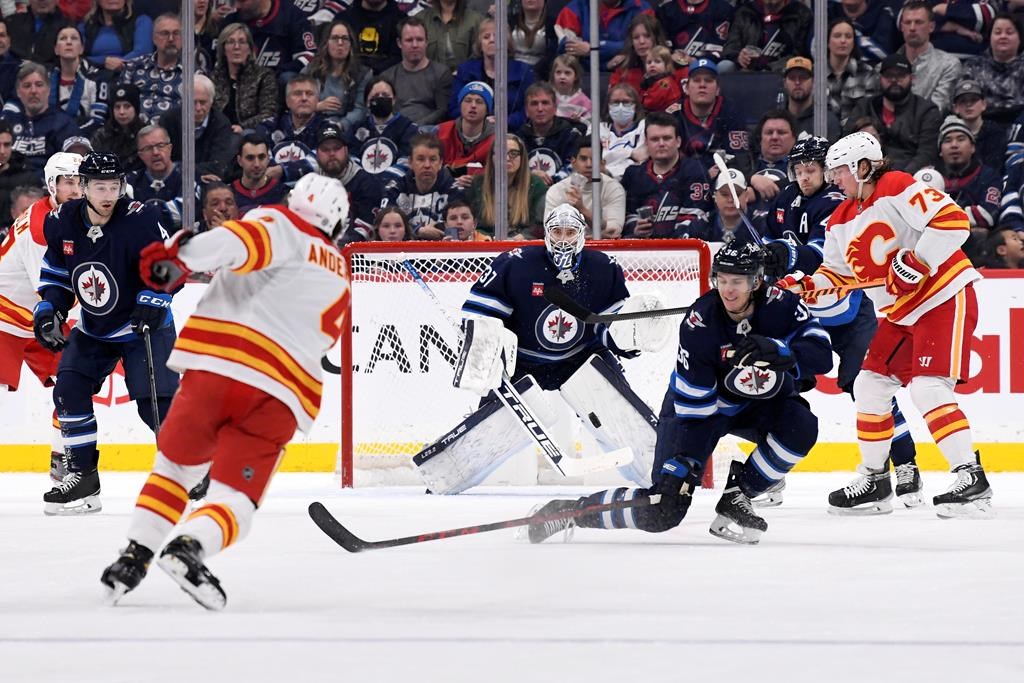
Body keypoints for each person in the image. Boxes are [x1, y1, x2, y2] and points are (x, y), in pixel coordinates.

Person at [100, 173, 350, 610]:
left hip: (217, 368)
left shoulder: (279, 222)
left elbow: (235, 242)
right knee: (237, 497)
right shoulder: (341, 271)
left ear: (295, 202)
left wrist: (180, 258)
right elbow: (328, 340)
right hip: (281, 392)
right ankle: (190, 547)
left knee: (176, 470)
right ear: (338, 224)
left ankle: (133, 558)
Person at [525, 241, 832, 545]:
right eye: (721, 280)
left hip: (755, 405)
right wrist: (687, 467)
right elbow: (694, 408)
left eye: (737, 281)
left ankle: (739, 495)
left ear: (756, 281)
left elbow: (822, 355)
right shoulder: (700, 323)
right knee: (661, 510)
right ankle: (569, 512)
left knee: (801, 428)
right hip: (699, 413)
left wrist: (784, 353)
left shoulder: (783, 305)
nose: (727, 291)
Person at [780, 131, 993, 519]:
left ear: (864, 167)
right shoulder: (842, 218)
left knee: (929, 388)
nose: (833, 180)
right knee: (869, 385)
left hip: (943, 297)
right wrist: (806, 285)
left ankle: (972, 478)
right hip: (901, 313)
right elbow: (840, 275)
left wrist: (916, 262)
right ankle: (876, 482)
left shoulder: (896, 186)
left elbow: (953, 221)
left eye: (839, 171)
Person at [413, 203, 671, 495]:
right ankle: (445, 475)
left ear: (582, 234)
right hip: (523, 362)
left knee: (619, 412)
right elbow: (481, 314)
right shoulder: (516, 263)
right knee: (492, 427)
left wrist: (631, 336)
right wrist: (488, 346)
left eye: (570, 232)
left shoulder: (603, 268)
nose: (563, 239)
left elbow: (611, 331)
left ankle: (660, 475)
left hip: (580, 359)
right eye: (557, 231)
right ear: (546, 233)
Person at [764, 137, 922, 507]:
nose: (805, 178)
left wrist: (785, 255)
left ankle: (906, 466)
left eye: (812, 171)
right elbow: (770, 243)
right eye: (798, 171)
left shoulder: (837, 203)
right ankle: (768, 475)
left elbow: (825, 257)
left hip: (848, 313)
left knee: (866, 388)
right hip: (804, 314)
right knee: (778, 387)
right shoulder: (785, 201)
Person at [32, 151, 178, 515]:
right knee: (68, 389)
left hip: (144, 325)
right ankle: (83, 476)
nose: (109, 194)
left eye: (114, 185)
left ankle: (187, 469)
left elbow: (172, 265)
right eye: (100, 186)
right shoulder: (63, 220)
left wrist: (152, 297)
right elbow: (57, 273)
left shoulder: (140, 218)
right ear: (82, 187)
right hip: (95, 327)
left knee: (155, 405)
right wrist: (50, 307)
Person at [0, 153, 82, 485]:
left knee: (76, 381)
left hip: (36, 315)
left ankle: (63, 459)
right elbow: (49, 290)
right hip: (6, 315)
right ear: (52, 185)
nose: (77, 190)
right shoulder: (40, 226)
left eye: (81, 182)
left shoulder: (80, 216)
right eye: (68, 182)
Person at [845, 53, 941, 176]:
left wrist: (900, 177)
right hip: (868, 174)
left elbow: (926, 153)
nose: (894, 80)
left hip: (912, 178)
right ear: (880, 78)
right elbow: (847, 142)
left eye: (900, 76)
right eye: (889, 76)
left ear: (912, 78)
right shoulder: (864, 106)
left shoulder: (927, 110)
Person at [621, 111, 712, 238]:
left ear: (678, 141)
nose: (661, 143)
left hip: (682, 251)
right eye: (655, 139)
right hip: (641, 250)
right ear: (646, 143)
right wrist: (635, 228)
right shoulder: (633, 175)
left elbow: (696, 219)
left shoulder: (695, 171)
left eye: (667, 138)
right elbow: (626, 217)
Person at [449, 16, 535, 130]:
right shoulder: (465, 70)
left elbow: (530, 108)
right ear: (480, 45)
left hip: (512, 131)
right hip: (473, 131)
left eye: (497, 36)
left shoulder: (524, 71)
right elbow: (454, 108)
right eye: (486, 37)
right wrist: (480, 121)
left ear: (507, 42)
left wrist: (505, 121)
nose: (492, 40)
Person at [1, 60, 82, 174]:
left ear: (48, 89)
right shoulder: (8, 122)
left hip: (46, 187)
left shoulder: (64, 124)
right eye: (27, 86)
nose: (33, 91)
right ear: (18, 92)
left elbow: (72, 168)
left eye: (39, 85)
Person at [382, 133, 463, 238]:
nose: (427, 165)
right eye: (420, 159)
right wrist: (417, 230)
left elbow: (458, 229)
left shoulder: (454, 190)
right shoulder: (394, 189)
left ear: (440, 163)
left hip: (441, 251)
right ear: (410, 162)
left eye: (433, 159)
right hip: (403, 251)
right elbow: (385, 225)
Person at [465, 133, 545, 238]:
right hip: (486, 245)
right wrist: (483, 236)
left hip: (524, 246)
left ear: (522, 158)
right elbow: (471, 222)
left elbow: (541, 225)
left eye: (513, 153)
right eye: (501, 153)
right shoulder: (478, 184)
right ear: (492, 157)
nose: (507, 158)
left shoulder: (536, 185)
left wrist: (525, 236)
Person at [672, 58, 748, 170]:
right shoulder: (674, 114)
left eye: (708, 80)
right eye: (696, 80)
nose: (702, 85)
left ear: (717, 89)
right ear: (686, 88)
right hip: (684, 177)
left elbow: (739, 157)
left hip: (724, 175)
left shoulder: (732, 113)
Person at [544, 137, 626, 239]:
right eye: (583, 159)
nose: (589, 165)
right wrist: (583, 239)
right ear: (573, 162)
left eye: (594, 159)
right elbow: (551, 231)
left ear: (602, 163)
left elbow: (614, 230)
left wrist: (582, 209)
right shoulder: (557, 190)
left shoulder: (613, 188)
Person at [936, 115, 1003, 238]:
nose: (954, 145)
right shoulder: (930, 177)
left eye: (961, 139)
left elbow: (987, 215)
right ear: (940, 150)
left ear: (972, 147)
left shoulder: (988, 176)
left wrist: (939, 216)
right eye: (947, 140)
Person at [315, 121, 382, 243]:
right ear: (317, 154)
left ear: (346, 150)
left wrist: (340, 244)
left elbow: (366, 225)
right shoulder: (311, 183)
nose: (331, 154)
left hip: (354, 254)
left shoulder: (366, 182)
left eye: (337, 148)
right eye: (325, 149)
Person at [301, 19, 371, 136]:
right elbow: (297, 102)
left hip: (347, 130)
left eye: (344, 38)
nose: (340, 43)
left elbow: (360, 110)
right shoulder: (311, 70)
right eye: (334, 38)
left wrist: (340, 125)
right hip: (313, 125)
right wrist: (316, 106)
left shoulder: (362, 74)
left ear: (351, 44)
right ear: (326, 43)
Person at [379, 16, 453, 126]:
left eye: (419, 40)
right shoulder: (387, 77)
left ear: (426, 41)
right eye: (409, 40)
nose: (415, 45)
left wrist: (415, 127)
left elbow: (442, 111)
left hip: (429, 134)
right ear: (399, 43)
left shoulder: (441, 73)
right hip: (396, 132)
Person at [210, 22, 279, 136]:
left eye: (242, 42)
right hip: (218, 134)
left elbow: (269, 113)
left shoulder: (264, 76)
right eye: (231, 42)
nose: (236, 47)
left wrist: (242, 127)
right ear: (223, 49)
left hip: (249, 135)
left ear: (249, 49)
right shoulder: (213, 78)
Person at [896, 1, 963, 113]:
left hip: (931, 128)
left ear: (931, 27)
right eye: (908, 22)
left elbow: (937, 109)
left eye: (918, 22)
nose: (912, 28)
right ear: (902, 27)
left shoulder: (948, 65)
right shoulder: (884, 67)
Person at [517, 81, 586, 186]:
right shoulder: (518, 138)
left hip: (563, 193)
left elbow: (574, 168)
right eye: (534, 103)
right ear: (526, 110)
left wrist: (547, 181)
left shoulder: (571, 134)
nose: (540, 109)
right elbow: (512, 170)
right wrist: (530, 175)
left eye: (545, 103)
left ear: (555, 108)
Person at [554, 0, 654, 73]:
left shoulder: (641, 8)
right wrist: (606, 63)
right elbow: (566, 50)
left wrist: (591, 49)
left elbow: (645, 45)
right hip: (583, 76)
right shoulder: (575, 8)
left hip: (629, 72)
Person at [960, 13, 1024, 125]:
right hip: (981, 126)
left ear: (1020, 38)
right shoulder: (973, 66)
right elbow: (966, 102)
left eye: (1009, 32)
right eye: (997, 32)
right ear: (989, 37)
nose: (1003, 36)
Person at [347, 77, 418, 178]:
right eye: (375, 96)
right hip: (362, 182)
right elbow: (350, 156)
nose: (380, 98)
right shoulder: (356, 128)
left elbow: (407, 159)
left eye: (385, 95)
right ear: (367, 102)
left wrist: (387, 177)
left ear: (393, 100)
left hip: (396, 182)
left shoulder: (407, 128)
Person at [720, 0, 812, 72]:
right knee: (725, 66)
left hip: (783, 74)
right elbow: (729, 49)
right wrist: (739, 57)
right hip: (746, 74)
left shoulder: (801, 14)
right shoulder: (744, 13)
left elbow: (799, 54)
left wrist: (767, 68)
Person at [49, 24, 109, 136]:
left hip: (85, 140)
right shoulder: (45, 79)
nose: (68, 42)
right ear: (56, 49)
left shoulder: (97, 79)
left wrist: (68, 134)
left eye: (74, 38)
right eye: (63, 38)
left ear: (81, 49)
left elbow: (98, 121)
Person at [436, 81, 495, 188]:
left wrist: (478, 180)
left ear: (488, 110)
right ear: (460, 105)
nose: (473, 106)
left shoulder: (497, 140)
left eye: (479, 102)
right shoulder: (440, 131)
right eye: (467, 100)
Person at [825, 16, 879, 127]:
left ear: (854, 43)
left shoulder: (868, 74)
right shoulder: (814, 74)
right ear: (827, 42)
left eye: (848, 36)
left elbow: (869, 115)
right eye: (837, 36)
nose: (843, 41)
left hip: (855, 138)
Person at [80, 0, 153, 73]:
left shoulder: (141, 21)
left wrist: (118, 64)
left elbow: (142, 53)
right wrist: (103, 61)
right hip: (91, 76)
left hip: (129, 75)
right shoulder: (86, 26)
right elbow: (76, 57)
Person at [952, 80, 1007, 175]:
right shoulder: (949, 134)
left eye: (973, 100)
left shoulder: (996, 133)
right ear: (955, 108)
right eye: (963, 101)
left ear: (984, 105)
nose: (968, 104)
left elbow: (994, 169)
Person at [781, 57, 841, 142]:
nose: (797, 82)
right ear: (784, 83)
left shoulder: (827, 120)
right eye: (792, 78)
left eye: (803, 77)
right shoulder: (777, 119)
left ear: (813, 82)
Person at [89, 82, 144, 171]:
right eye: (117, 107)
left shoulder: (145, 135)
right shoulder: (102, 135)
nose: (121, 112)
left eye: (127, 106)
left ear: (136, 109)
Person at [656, 0, 735, 62]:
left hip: (707, 66)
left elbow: (718, 48)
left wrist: (695, 61)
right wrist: (671, 56)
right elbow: (662, 43)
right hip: (672, 64)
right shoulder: (666, 9)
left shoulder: (723, 9)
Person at [230, 133, 289, 214]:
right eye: (250, 158)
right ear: (239, 160)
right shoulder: (229, 195)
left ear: (268, 159)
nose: (257, 164)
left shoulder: (283, 194)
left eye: (261, 157)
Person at [599, 83, 646, 180]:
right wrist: (630, 154)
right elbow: (593, 158)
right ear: (608, 106)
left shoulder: (644, 127)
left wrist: (608, 156)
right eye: (615, 102)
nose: (620, 107)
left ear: (635, 106)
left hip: (633, 181)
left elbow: (642, 158)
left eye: (626, 102)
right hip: (602, 179)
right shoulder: (597, 128)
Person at [422, 0, 483, 73]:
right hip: (429, 80)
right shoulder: (421, 20)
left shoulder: (476, 20)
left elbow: (479, 56)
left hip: (465, 80)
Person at [639, 45, 682, 114]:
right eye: (649, 62)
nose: (652, 65)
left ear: (667, 65)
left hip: (668, 117)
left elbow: (650, 103)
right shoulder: (651, 81)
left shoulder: (665, 83)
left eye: (657, 62)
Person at [550, 55, 591, 124]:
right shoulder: (547, 96)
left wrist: (580, 120)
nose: (562, 77)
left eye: (567, 73)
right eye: (558, 72)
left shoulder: (584, 101)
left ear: (576, 76)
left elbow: (591, 125)